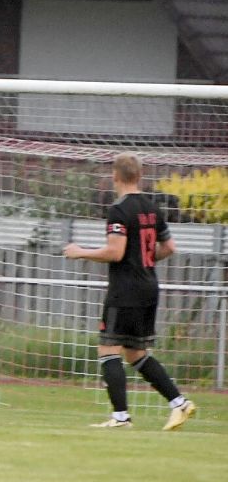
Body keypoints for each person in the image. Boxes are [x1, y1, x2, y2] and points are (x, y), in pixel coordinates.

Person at [64, 152, 196, 431]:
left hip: (126, 290)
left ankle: (121, 417)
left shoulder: (119, 210)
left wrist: (80, 252)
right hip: (149, 287)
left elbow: (115, 252)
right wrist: (144, 260)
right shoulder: (152, 208)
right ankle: (180, 403)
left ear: (114, 175)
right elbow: (169, 247)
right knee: (135, 353)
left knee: (108, 349)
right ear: (140, 175)